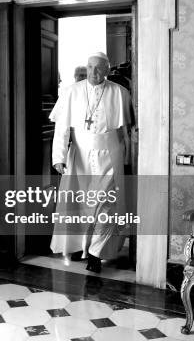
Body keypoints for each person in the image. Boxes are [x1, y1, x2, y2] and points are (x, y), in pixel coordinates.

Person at [49, 52, 132, 273]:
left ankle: (96, 253)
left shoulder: (119, 92)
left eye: (99, 68)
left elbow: (126, 131)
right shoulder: (71, 92)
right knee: (78, 205)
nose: (94, 73)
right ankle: (78, 246)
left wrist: (127, 159)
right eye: (91, 67)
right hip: (80, 156)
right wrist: (58, 157)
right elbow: (62, 128)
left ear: (107, 70)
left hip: (109, 155)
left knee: (106, 205)